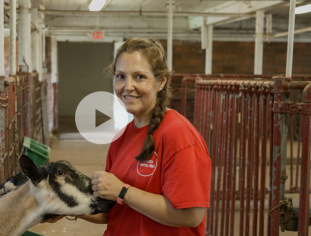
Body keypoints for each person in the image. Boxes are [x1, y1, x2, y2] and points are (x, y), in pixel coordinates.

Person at [48, 38, 211, 236]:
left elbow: (190, 215)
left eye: (140, 77)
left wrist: (123, 191)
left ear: (161, 81)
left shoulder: (178, 135)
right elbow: (109, 212)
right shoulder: (121, 138)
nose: (128, 86)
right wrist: (63, 206)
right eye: (121, 76)